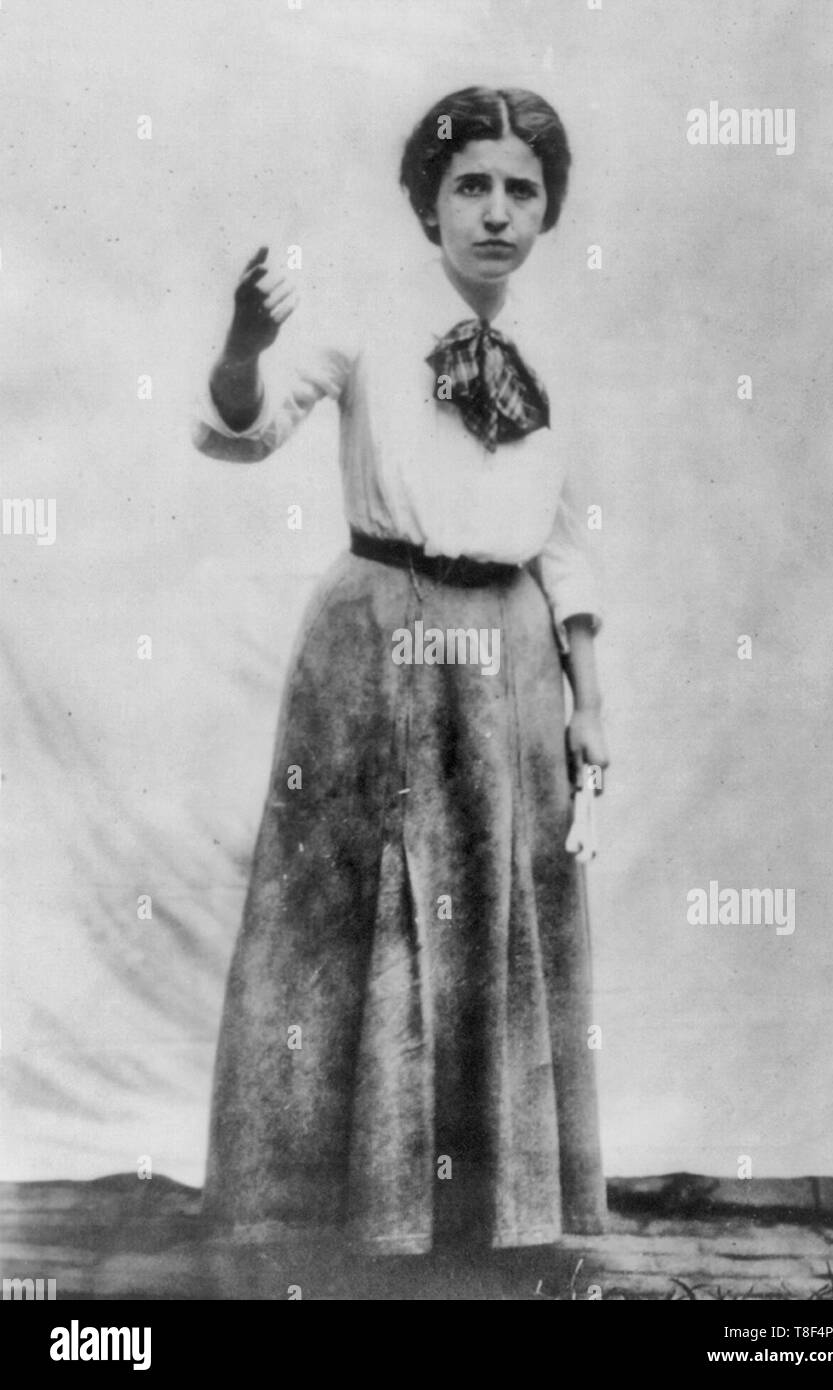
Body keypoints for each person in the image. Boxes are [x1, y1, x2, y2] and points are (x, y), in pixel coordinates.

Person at [193, 85, 609, 1256]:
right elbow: (248, 427)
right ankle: (337, 1215)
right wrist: (242, 344)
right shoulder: (364, 317)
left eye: (520, 190)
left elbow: (563, 534)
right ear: (429, 203)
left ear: (547, 211)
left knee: (501, 906)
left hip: (513, 659)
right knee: (352, 907)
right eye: (469, 185)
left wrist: (591, 702)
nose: (494, 212)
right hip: (376, 644)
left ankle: (492, 1217)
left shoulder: (555, 349)